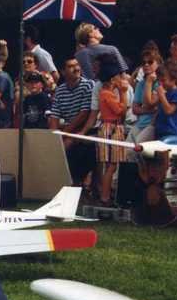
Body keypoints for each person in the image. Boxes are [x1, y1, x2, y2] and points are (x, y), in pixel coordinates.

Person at [48, 58, 95, 187]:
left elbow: (84, 114)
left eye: (77, 65)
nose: (76, 68)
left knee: (65, 147)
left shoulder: (88, 85)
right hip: (67, 130)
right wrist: (54, 137)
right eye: (71, 66)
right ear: (63, 72)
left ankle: (73, 184)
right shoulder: (60, 90)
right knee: (52, 146)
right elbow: (54, 116)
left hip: (85, 129)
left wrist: (64, 134)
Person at [95, 60, 129, 205]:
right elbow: (121, 110)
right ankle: (105, 196)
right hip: (111, 129)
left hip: (113, 128)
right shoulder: (107, 94)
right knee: (111, 165)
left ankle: (106, 194)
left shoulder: (107, 93)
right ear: (112, 79)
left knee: (111, 165)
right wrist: (123, 93)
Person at [148, 63, 177, 140]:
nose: (160, 84)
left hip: (175, 134)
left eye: (163, 80)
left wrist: (162, 96)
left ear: (174, 79)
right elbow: (150, 103)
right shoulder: (165, 92)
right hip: (162, 132)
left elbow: (169, 110)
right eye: (158, 80)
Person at [130, 49, 162, 144]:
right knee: (126, 149)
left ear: (158, 64)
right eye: (144, 63)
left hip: (153, 125)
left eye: (150, 62)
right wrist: (152, 110)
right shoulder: (140, 84)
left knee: (136, 149)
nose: (146, 65)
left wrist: (149, 82)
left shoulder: (162, 82)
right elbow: (135, 109)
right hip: (140, 123)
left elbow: (149, 104)